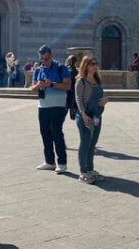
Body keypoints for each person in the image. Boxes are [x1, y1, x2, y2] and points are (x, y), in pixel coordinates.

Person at [31, 45, 71, 173]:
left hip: (58, 106)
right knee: (45, 134)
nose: (44, 61)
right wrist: (39, 85)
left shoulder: (61, 68)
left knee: (56, 133)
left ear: (51, 55)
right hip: (42, 106)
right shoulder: (38, 70)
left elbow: (67, 86)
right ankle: (49, 161)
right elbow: (32, 88)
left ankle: (62, 163)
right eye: (42, 59)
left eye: (46, 59)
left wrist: (52, 84)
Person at [75, 56, 108, 184]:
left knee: (92, 144)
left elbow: (102, 96)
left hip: (97, 116)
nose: (95, 66)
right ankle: (83, 172)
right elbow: (78, 99)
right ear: (85, 66)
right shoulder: (81, 81)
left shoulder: (97, 80)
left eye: (96, 63)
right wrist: (83, 115)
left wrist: (106, 100)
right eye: (91, 63)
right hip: (85, 116)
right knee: (85, 142)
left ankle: (90, 170)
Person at [65, 55, 79, 119]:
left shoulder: (66, 70)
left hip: (66, 94)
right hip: (72, 94)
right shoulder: (75, 71)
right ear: (75, 62)